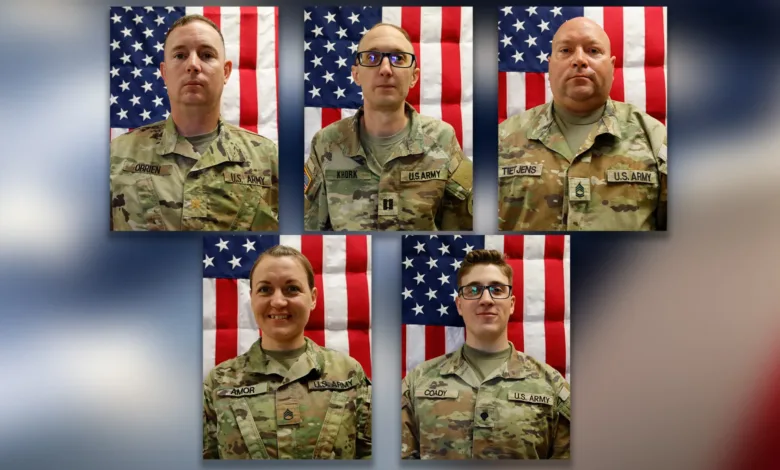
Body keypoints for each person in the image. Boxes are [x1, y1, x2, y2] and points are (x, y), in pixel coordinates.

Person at [110, 14, 278, 231]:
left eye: (207, 55)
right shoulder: (116, 155)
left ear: (225, 72)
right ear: (164, 72)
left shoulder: (268, 159)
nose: (193, 65)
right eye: (180, 55)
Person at [202, 245, 371, 459]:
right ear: (252, 297)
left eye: (292, 289)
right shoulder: (219, 382)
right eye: (265, 289)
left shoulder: (348, 374)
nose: (278, 301)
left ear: (313, 297)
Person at [498, 17, 667, 231]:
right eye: (566, 50)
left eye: (593, 51)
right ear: (550, 65)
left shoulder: (653, 137)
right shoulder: (503, 138)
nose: (579, 60)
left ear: (612, 66)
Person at [401, 249, 570, 459]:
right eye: (473, 290)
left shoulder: (552, 386)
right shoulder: (418, 382)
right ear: (459, 305)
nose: (486, 299)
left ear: (512, 304)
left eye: (497, 289)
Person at [304, 23, 473, 231]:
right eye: (372, 58)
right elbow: (310, 227)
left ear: (414, 76)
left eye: (398, 59)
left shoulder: (442, 139)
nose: (385, 69)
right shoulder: (326, 143)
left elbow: (463, 227)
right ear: (356, 74)